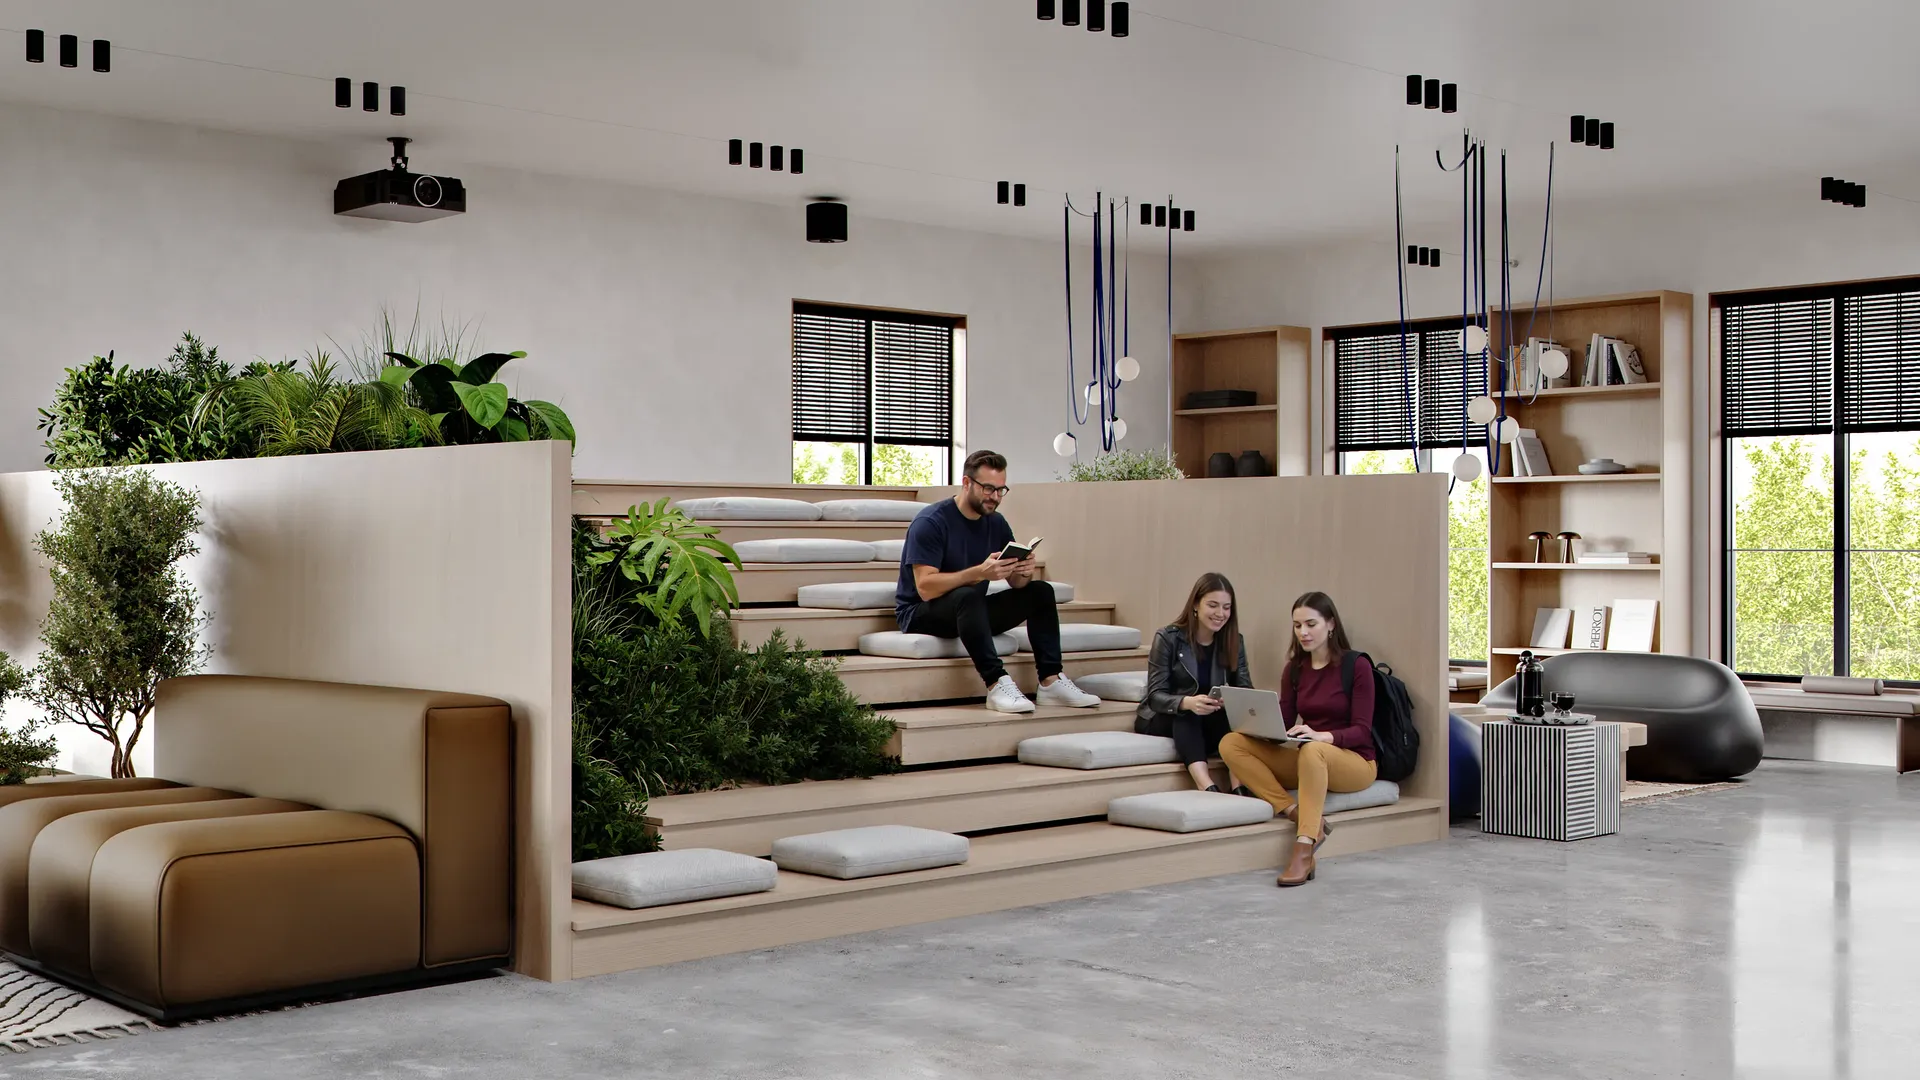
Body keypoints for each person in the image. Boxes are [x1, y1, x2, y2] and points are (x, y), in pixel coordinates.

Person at [895, 449, 1101, 714]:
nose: (995, 497)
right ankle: (996, 682)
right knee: (967, 596)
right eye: (988, 489)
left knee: (1040, 591)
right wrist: (980, 573)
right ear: (967, 483)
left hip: (970, 610)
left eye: (1001, 490)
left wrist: (1023, 571)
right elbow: (925, 588)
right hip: (920, 614)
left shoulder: (996, 522)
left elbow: (1016, 584)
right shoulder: (931, 522)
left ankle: (1051, 681)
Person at [1218, 591, 1378, 888]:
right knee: (1231, 742)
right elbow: (1286, 721)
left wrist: (1322, 736)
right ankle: (1299, 815)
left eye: (1311, 624)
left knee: (1313, 750)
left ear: (1331, 624)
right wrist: (1262, 726)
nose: (1303, 632)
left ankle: (1304, 847)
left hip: (1355, 761)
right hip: (1309, 756)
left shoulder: (1356, 666)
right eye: (1297, 625)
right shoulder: (1295, 669)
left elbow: (1362, 730)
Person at [1138, 572, 1250, 794]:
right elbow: (1155, 696)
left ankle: (1239, 786)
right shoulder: (1168, 638)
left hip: (1209, 717)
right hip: (1166, 716)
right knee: (1188, 714)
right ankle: (1207, 785)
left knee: (1237, 721)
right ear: (1196, 605)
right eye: (1213, 605)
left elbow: (1246, 689)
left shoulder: (1234, 641)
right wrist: (1187, 702)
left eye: (1226, 607)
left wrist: (1231, 701)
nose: (1220, 613)